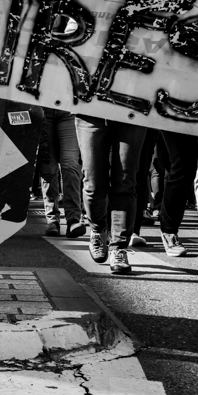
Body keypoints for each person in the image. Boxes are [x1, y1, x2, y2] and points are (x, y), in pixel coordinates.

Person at [75, 117, 145, 276]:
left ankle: (119, 248)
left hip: (133, 108)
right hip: (91, 109)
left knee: (125, 182)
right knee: (93, 183)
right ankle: (98, 229)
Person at [38, 108, 85, 239]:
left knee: (70, 165)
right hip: (43, 110)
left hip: (70, 110)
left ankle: (73, 220)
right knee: (48, 168)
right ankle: (53, 220)